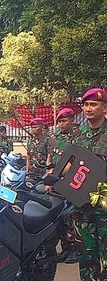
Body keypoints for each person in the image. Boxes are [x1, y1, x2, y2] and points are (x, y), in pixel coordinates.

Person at [70, 88, 107, 281]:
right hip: (81, 202)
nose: (89, 109)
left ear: (104, 108)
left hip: (103, 200)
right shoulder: (79, 136)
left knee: (105, 253)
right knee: (86, 253)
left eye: (93, 104)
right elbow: (70, 165)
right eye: (86, 105)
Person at [50, 108, 78, 264]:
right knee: (59, 216)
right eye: (59, 121)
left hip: (73, 182)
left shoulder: (78, 136)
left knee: (71, 217)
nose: (61, 124)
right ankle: (65, 248)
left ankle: (74, 249)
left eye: (64, 121)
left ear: (71, 120)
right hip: (58, 182)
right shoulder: (54, 138)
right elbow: (51, 157)